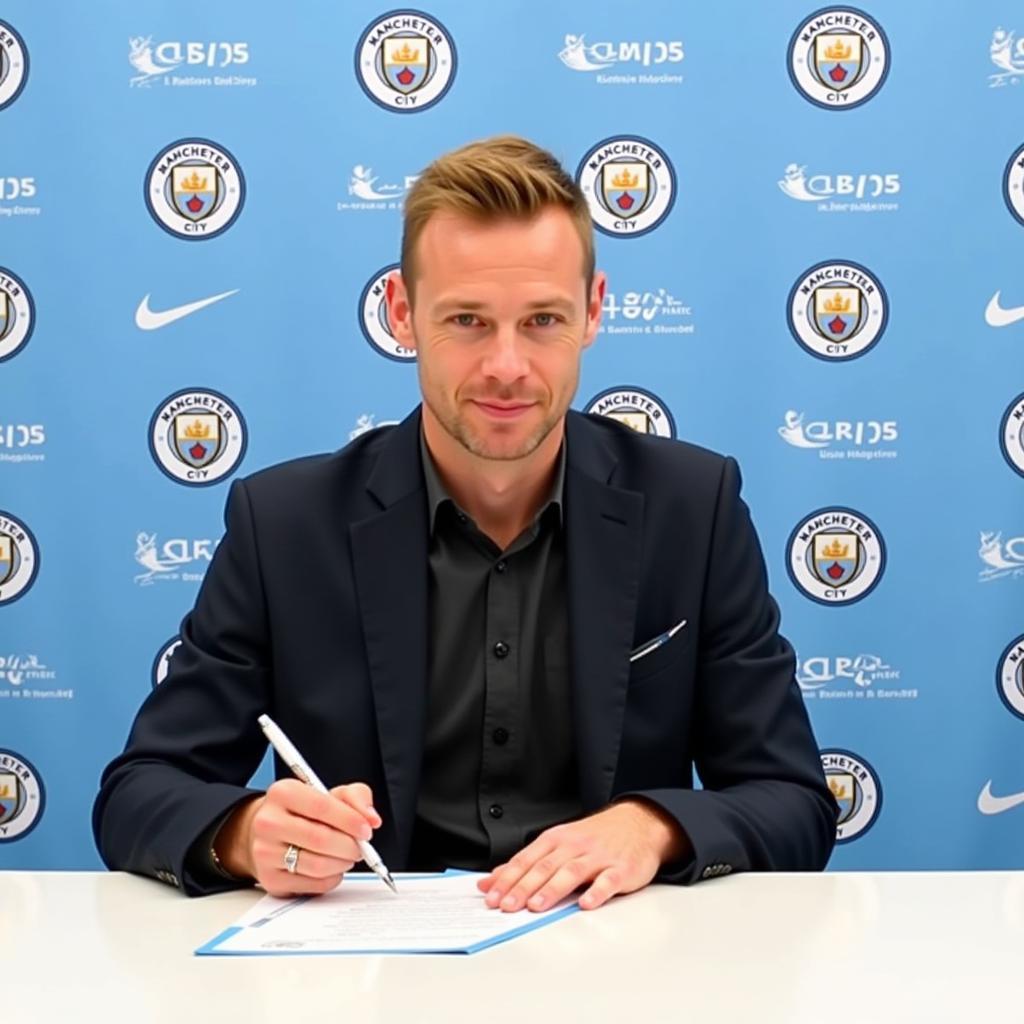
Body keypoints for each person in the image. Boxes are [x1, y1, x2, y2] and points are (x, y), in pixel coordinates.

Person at [93, 135, 837, 912]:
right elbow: (139, 794)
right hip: (368, 979)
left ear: (594, 311)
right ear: (402, 313)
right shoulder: (283, 525)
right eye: (469, 321)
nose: (507, 367)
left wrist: (652, 827)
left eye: (543, 319)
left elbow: (793, 803)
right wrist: (245, 831)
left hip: (618, 967)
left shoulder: (695, 507)